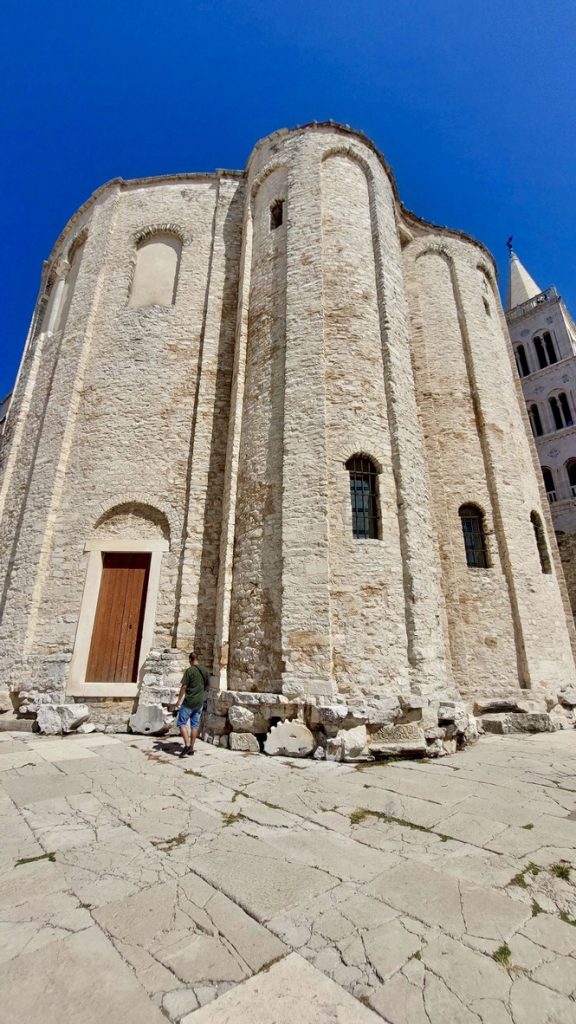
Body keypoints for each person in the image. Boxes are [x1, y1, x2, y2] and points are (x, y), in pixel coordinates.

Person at [175, 652, 209, 758]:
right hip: (199, 702)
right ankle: (192, 748)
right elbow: (207, 685)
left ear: (190, 660)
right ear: (198, 659)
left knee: (181, 723)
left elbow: (184, 686)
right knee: (195, 725)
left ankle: (187, 745)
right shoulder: (205, 670)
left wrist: (179, 700)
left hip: (189, 702)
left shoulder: (189, 671)